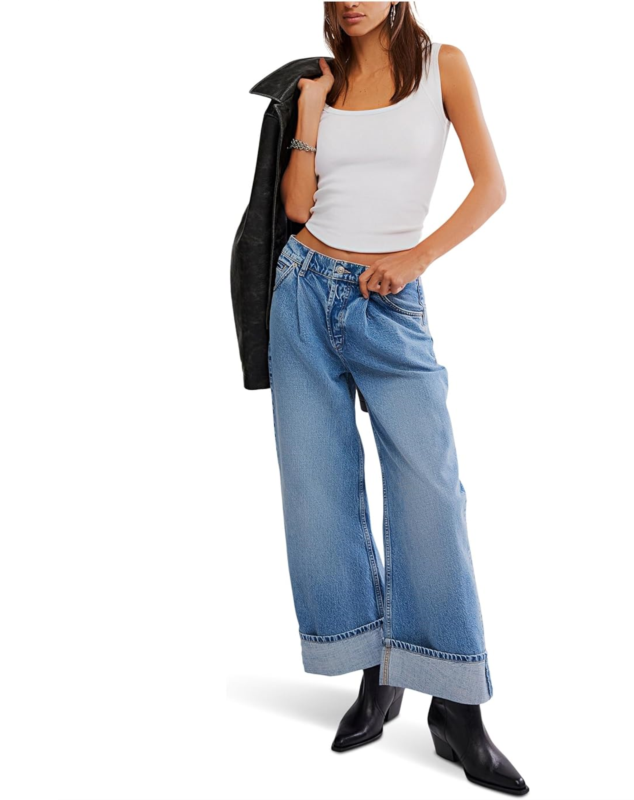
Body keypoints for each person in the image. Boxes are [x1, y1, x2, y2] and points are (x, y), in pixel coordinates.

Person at [267, 3, 528, 794]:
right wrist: (310, 114)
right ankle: (376, 674)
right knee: (319, 497)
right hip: (302, 292)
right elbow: (295, 208)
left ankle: (456, 705)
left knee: (430, 497)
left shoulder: (444, 65)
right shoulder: (321, 80)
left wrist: (418, 257)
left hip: (389, 301)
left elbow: (491, 188)